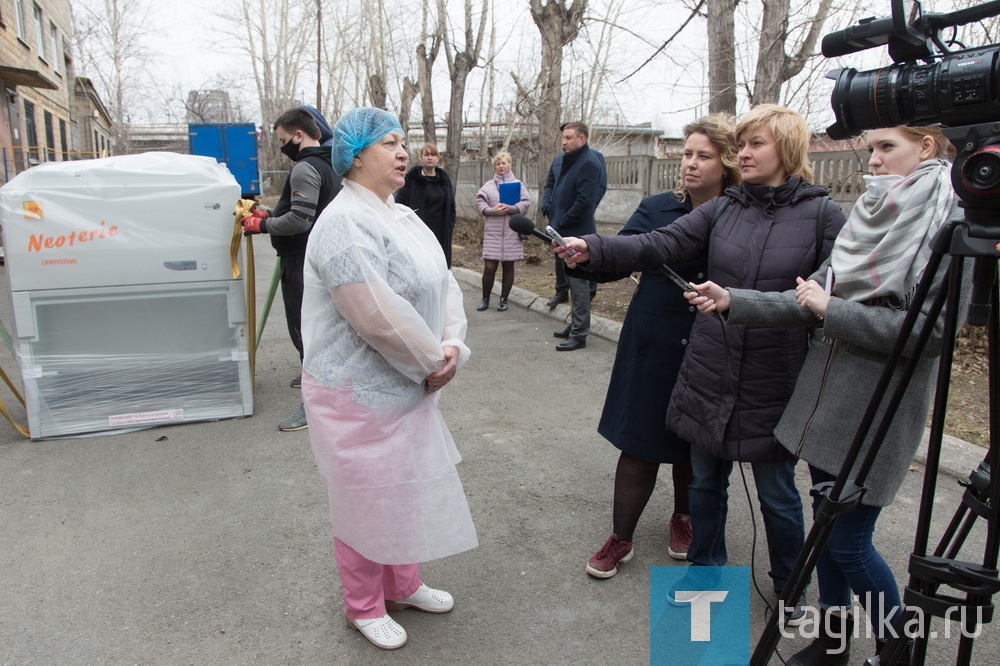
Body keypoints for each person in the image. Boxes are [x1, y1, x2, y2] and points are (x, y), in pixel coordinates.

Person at [688, 125, 965, 665]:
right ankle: (832, 645)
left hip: (879, 410)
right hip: (826, 405)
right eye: (872, 149)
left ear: (926, 148)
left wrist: (830, 310)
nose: (875, 160)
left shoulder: (948, 226)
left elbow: (931, 334)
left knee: (846, 542)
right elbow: (807, 295)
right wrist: (733, 300)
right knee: (825, 530)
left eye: (888, 148)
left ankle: (898, 646)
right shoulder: (871, 214)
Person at [558, 105, 846, 615]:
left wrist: (747, 303)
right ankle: (705, 575)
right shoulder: (724, 208)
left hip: (773, 376)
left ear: (787, 149)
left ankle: (789, 587)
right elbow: (658, 243)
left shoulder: (823, 215)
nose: (745, 154)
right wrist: (594, 248)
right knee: (706, 483)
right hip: (710, 365)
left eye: (755, 144)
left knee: (777, 494)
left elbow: (824, 295)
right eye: (743, 145)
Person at [300, 107, 478, 651]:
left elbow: (443, 282)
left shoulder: (400, 215)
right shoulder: (342, 225)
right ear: (355, 155)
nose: (403, 152)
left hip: (409, 381)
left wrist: (450, 346)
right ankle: (363, 605)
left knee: (403, 489)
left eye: (405, 142)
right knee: (364, 499)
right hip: (355, 391)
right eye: (389, 143)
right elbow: (376, 316)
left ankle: (402, 586)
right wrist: (432, 363)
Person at [584, 115, 740, 578]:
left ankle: (684, 517)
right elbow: (619, 255)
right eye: (687, 154)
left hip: (711, 342)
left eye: (703, 156)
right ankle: (621, 537)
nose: (690, 164)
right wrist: (585, 256)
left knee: (694, 445)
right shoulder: (656, 207)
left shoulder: (741, 216)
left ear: (726, 163)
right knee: (640, 443)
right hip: (653, 340)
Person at [241, 107, 341, 432]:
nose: (283, 146)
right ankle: (317, 383)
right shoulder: (332, 163)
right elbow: (306, 207)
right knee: (320, 331)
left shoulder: (305, 167)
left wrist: (262, 224)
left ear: (299, 135)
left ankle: (314, 405)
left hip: (302, 261)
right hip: (321, 257)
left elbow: (300, 218)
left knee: (306, 331)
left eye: (284, 140)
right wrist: (272, 211)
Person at [541, 122, 605, 351]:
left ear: (582, 138)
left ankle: (579, 334)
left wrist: (562, 221)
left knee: (579, 284)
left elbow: (585, 201)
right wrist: (549, 209)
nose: (564, 141)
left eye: (568, 138)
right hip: (562, 228)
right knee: (571, 280)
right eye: (563, 138)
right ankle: (576, 325)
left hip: (577, 232)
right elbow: (552, 186)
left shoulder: (589, 162)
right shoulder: (566, 160)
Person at [474, 152, 531, 312]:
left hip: (512, 232)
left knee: (508, 267)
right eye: (498, 164)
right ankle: (485, 299)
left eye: (504, 163)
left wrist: (511, 208)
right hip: (493, 232)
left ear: (510, 164)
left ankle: (504, 299)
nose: (501, 166)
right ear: (494, 167)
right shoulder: (489, 186)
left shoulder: (518, 184)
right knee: (489, 267)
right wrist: (492, 210)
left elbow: (526, 203)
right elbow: (479, 201)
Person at [395, 143, 457, 267]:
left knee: (440, 264)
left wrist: (450, 224)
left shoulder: (444, 179)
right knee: (422, 265)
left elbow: (451, 206)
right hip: (418, 230)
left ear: (438, 158)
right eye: (426, 155)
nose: (430, 158)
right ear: (421, 158)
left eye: (433, 155)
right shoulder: (412, 178)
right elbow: (399, 204)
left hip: (441, 230)